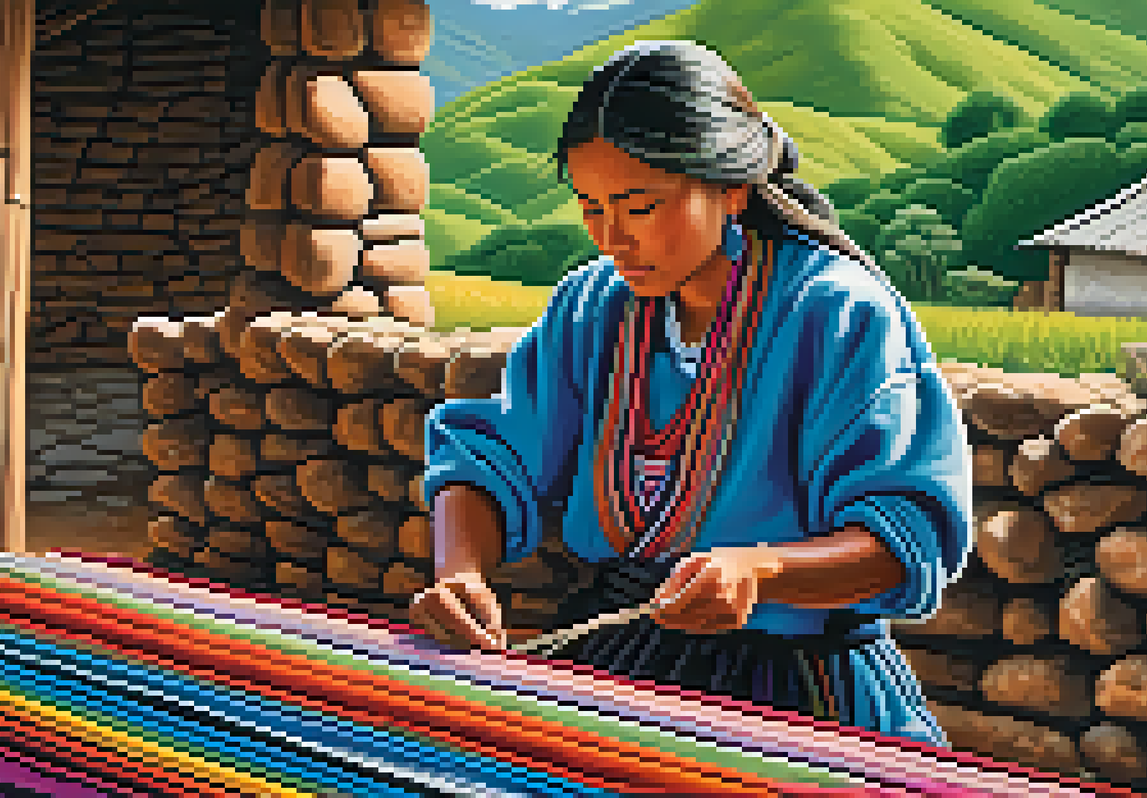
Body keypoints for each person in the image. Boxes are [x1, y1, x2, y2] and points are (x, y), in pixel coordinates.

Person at [409, 40, 973, 747]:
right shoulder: (591, 309)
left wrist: (763, 572)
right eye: (590, 208)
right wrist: (460, 571)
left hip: (799, 691)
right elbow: (493, 459)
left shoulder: (836, 314)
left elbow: (906, 536)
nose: (612, 238)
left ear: (730, 187)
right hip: (624, 671)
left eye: (639, 207)